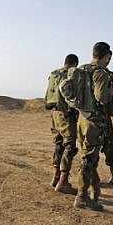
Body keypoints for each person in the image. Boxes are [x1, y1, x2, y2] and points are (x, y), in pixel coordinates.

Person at [73, 42, 113, 211]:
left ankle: (92, 193)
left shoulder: (81, 69)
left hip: (83, 118)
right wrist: (111, 89)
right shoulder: (101, 73)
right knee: (89, 159)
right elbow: (102, 97)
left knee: (89, 156)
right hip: (95, 121)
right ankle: (81, 196)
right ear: (107, 56)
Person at [45, 54, 79, 194]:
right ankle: (63, 181)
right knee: (70, 146)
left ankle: (56, 177)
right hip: (65, 114)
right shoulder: (69, 74)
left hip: (54, 114)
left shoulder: (54, 74)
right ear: (74, 64)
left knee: (58, 144)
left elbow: (48, 95)